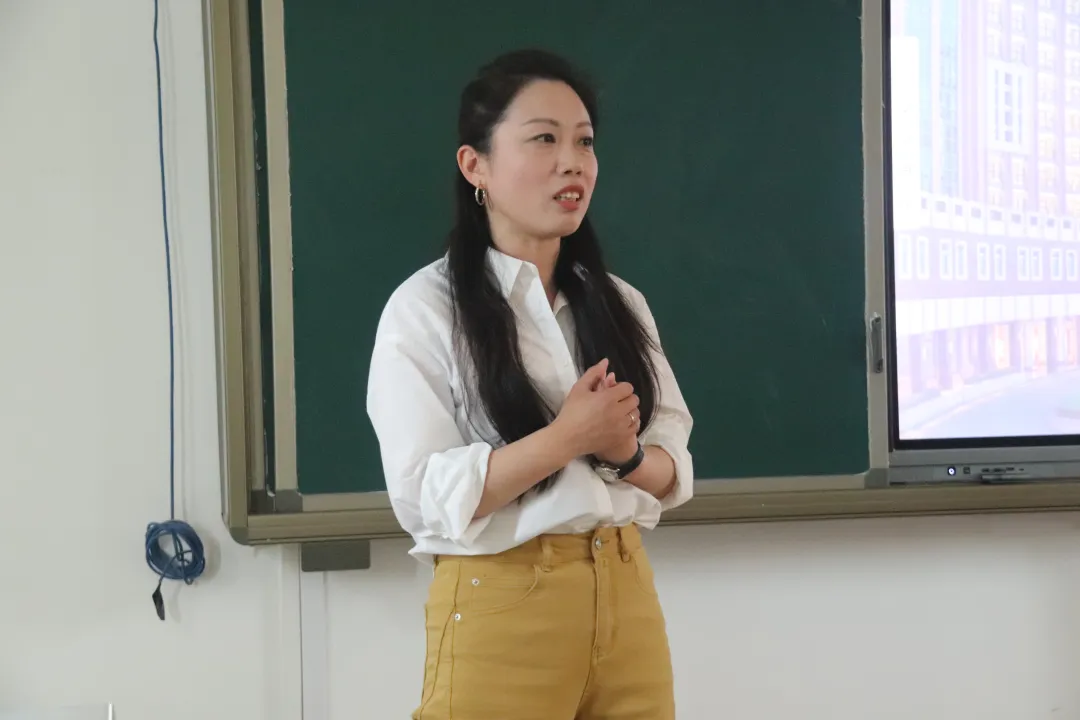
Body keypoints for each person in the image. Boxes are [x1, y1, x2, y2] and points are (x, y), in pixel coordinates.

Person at [367, 48, 693, 720]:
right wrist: (567, 438)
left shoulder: (620, 303)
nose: (573, 162)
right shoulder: (425, 309)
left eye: (585, 142)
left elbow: (670, 472)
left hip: (624, 591)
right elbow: (426, 497)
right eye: (544, 139)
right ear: (475, 166)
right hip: (503, 599)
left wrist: (625, 455)